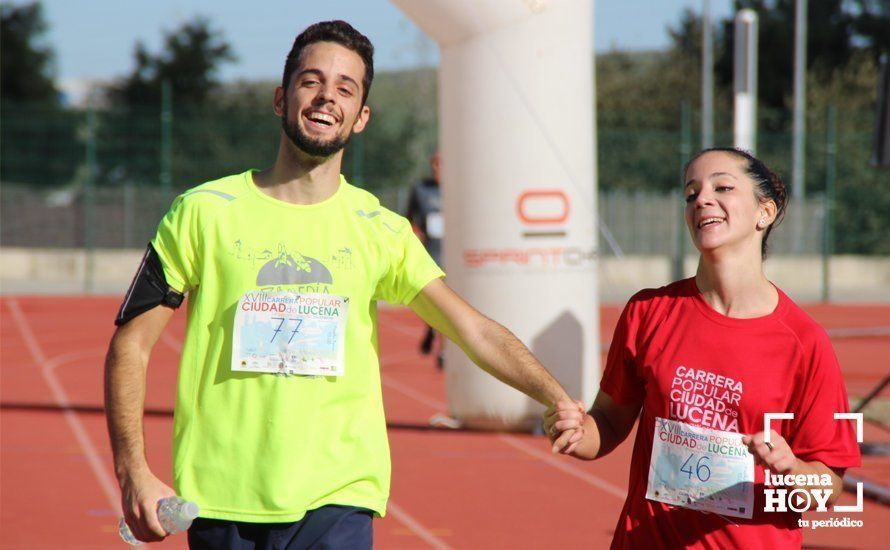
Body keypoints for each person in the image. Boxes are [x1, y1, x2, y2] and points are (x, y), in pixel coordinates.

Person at [105, 20, 579, 549]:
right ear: (282, 98)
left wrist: (555, 396)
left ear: (361, 117)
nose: (327, 95)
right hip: (221, 500)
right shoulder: (202, 213)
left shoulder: (381, 230)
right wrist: (133, 472)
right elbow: (132, 343)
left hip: (339, 496)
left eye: (345, 88)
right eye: (311, 81)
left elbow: (472, 330)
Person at [544, 148, 861, 549]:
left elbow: (827, 489)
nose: (702, 200)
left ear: (764, 213)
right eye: (691, 193)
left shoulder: (804, 342)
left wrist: (790, 467)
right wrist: (576, 433)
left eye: (722, 187)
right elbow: (605, 423)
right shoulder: (649, 311)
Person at [405, 152, 443, 363]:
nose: (439, 170)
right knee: (435, 301)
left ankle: (443, 348)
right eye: (436, 165)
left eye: (443, 165)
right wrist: (415, 233)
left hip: (452, 252)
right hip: (431, 251)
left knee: (450, 300)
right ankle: (431, 328)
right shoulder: (421, 190)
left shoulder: (459, 188)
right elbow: (408, 218)